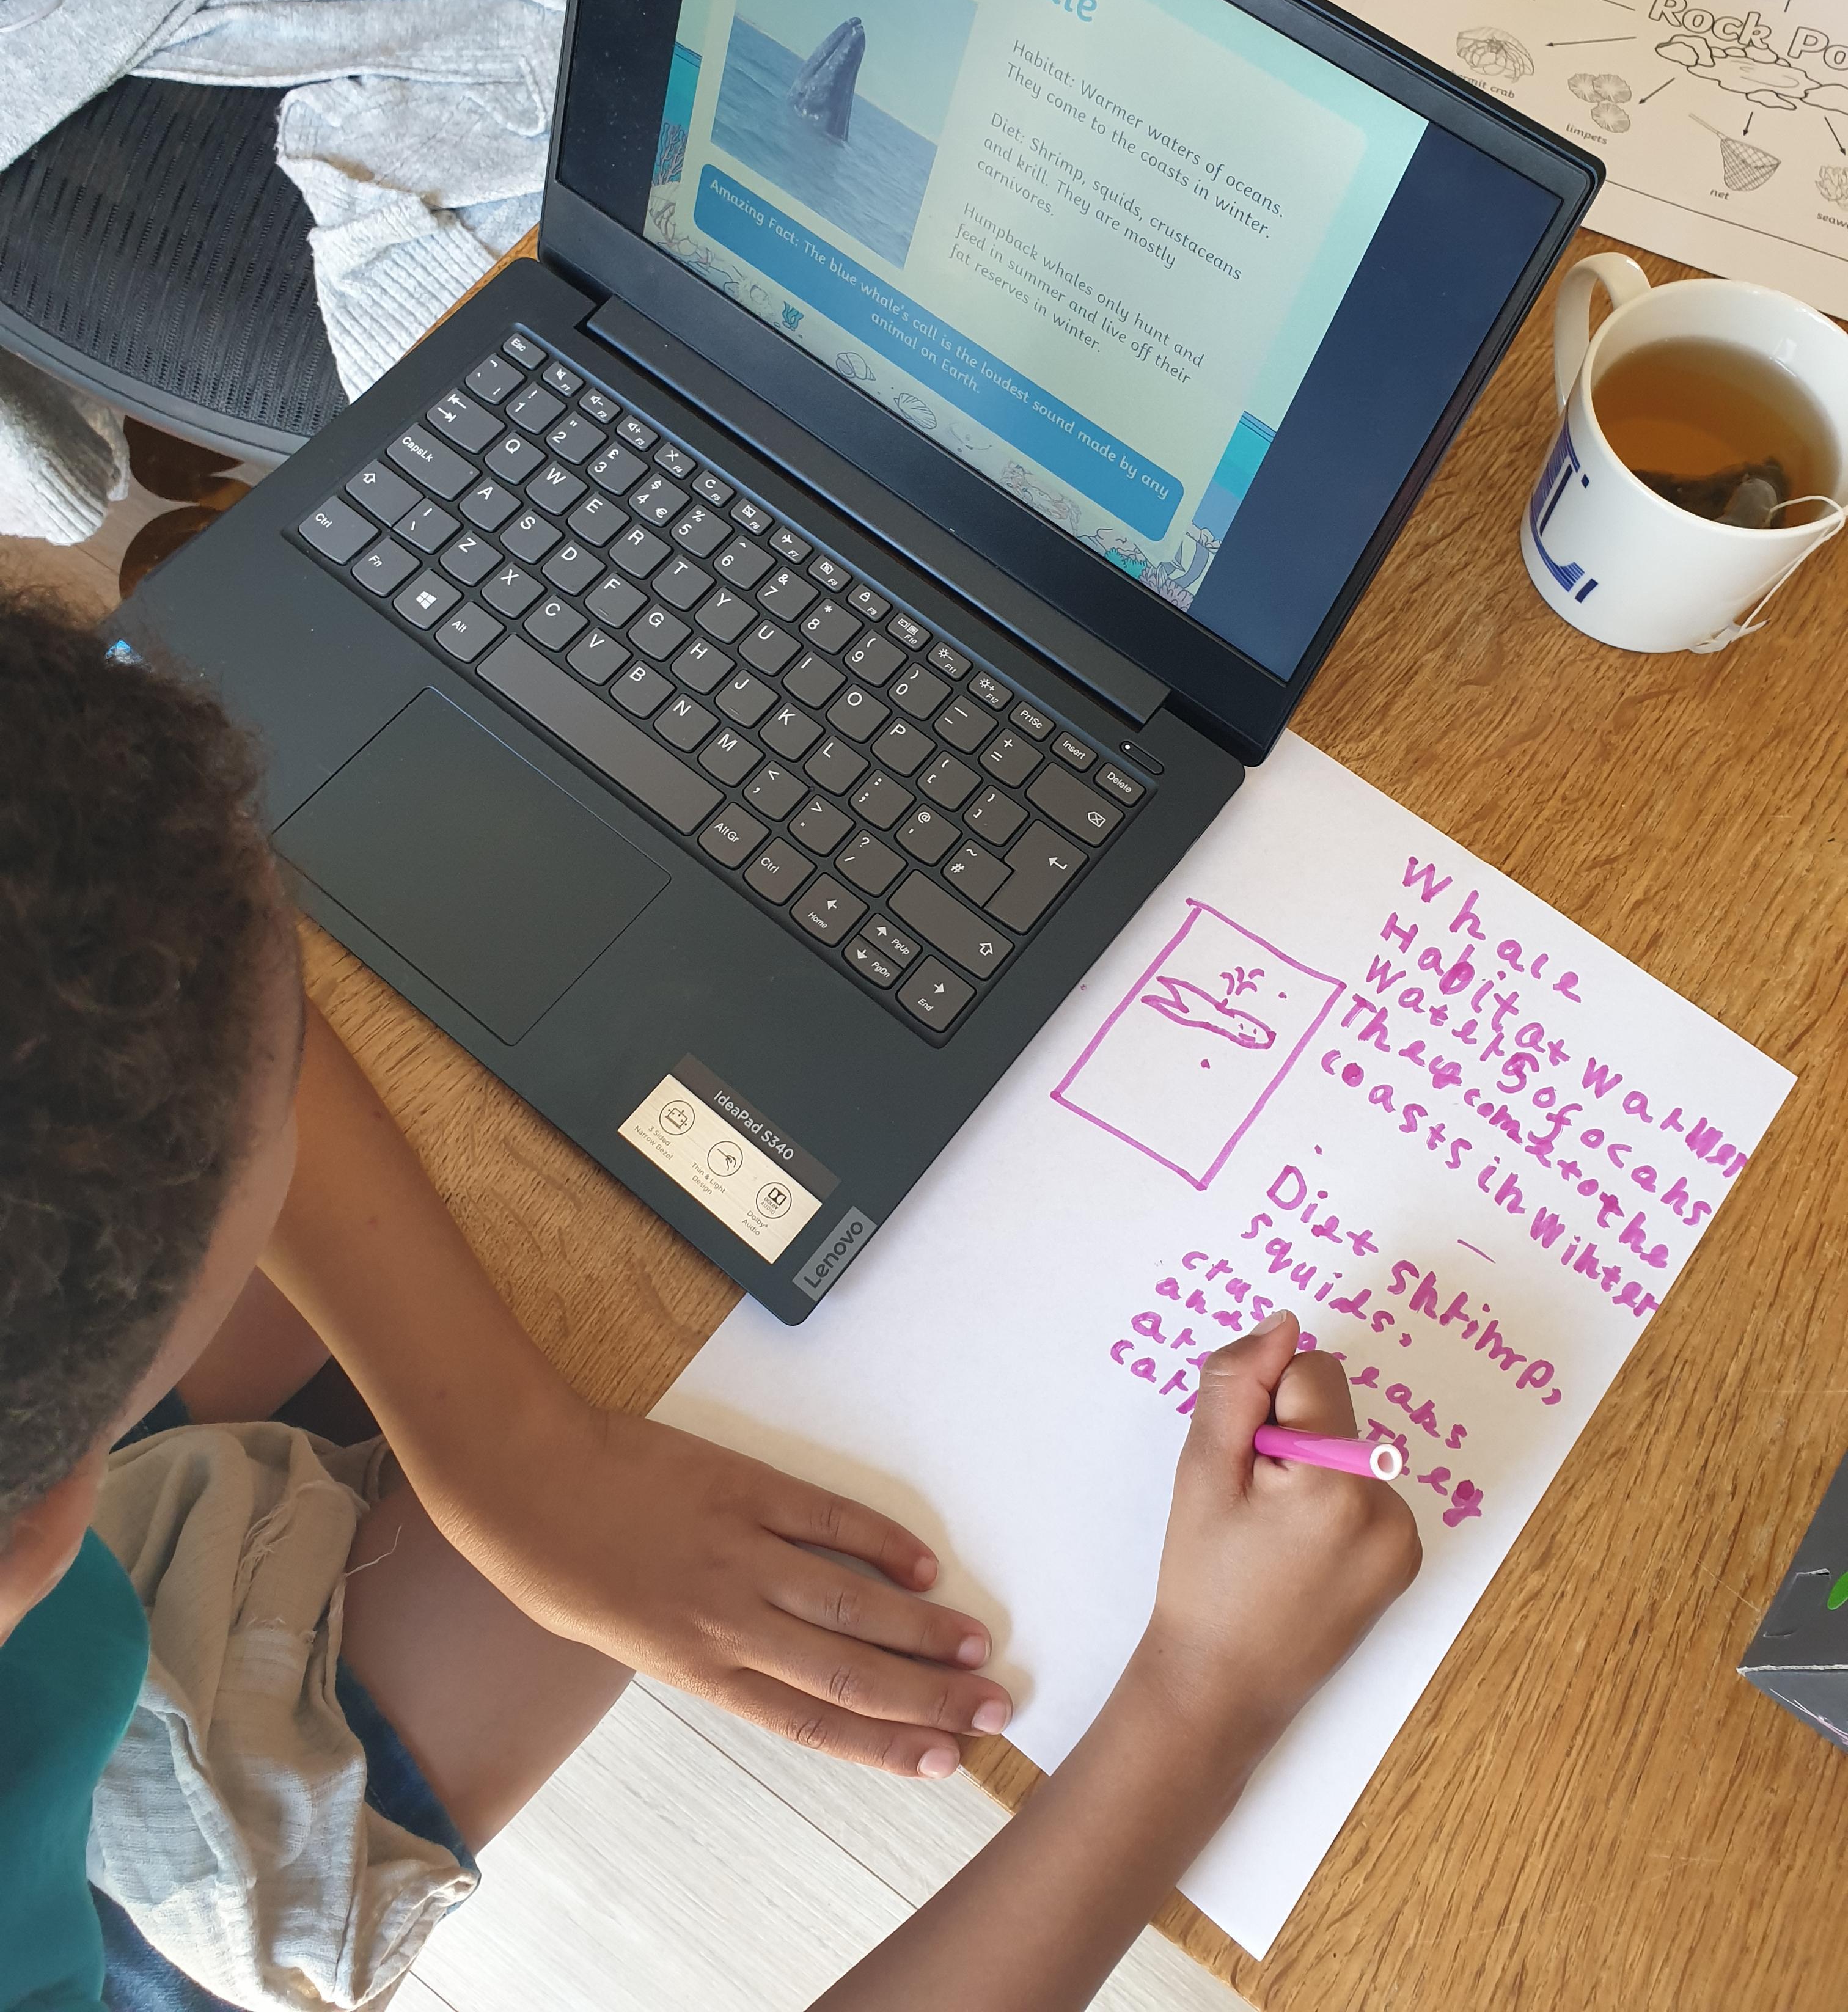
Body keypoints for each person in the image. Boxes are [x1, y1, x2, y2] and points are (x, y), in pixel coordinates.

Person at [0, 582, 1418, 2011]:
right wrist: (1204, 1701)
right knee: (714, 1498)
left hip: (56, 1605)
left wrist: (515, 1455)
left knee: (590, 1419)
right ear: (50, 1520)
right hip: (109, 1887)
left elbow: (208, 973)